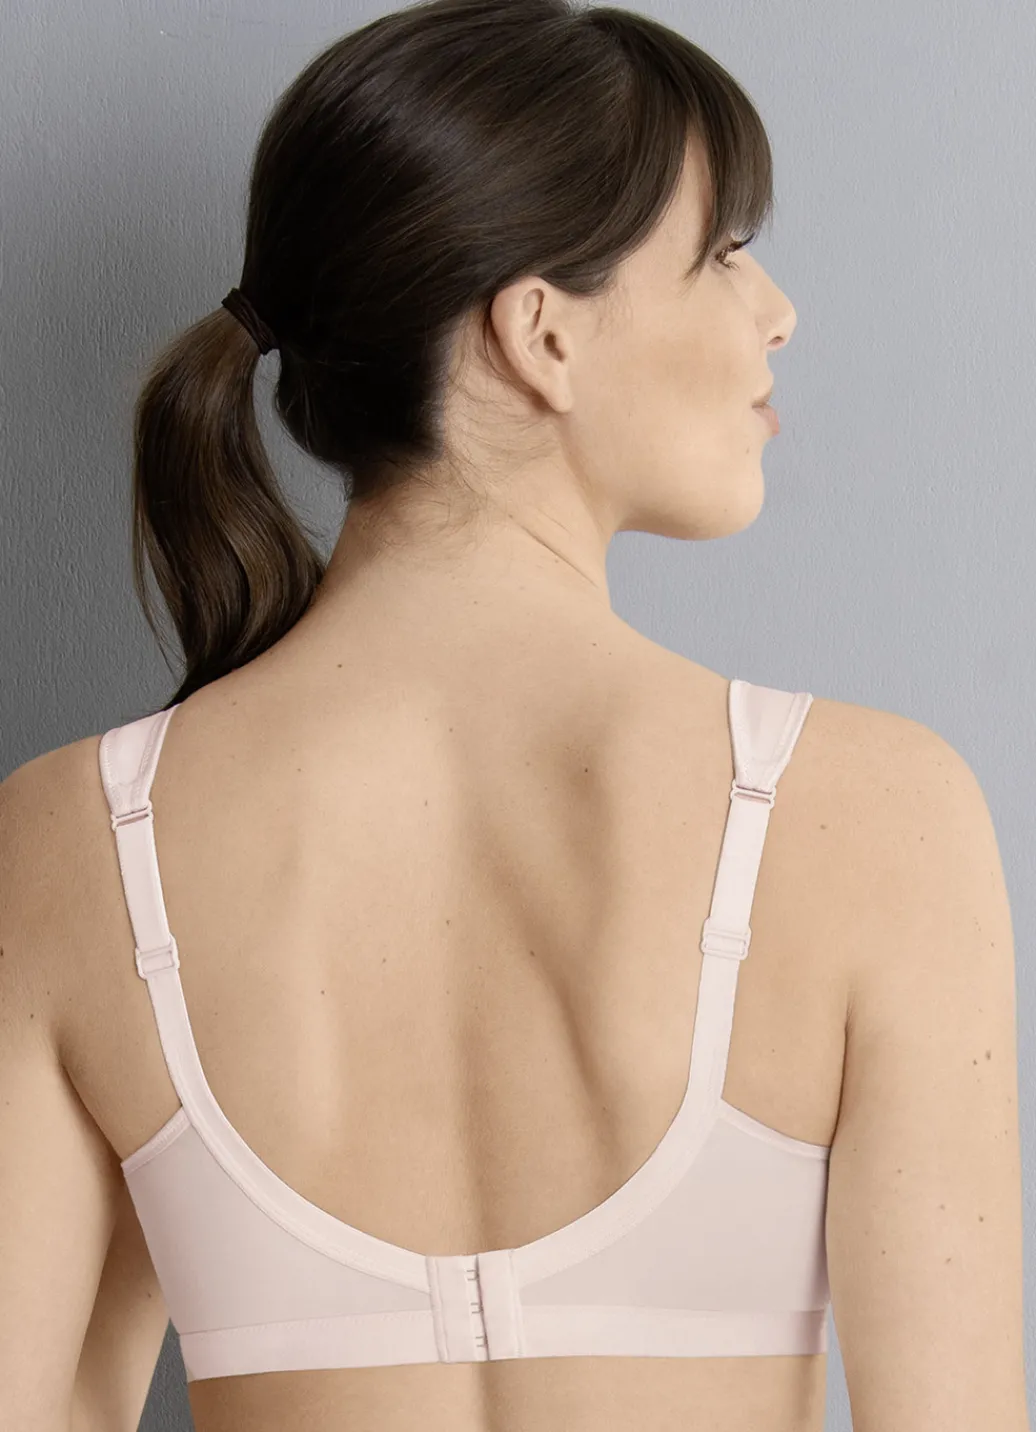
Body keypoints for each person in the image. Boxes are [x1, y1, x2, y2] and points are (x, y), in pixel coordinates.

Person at [0, 2, 1028, 1431]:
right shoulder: (873, 815)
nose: (777, 309)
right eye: (726, 250)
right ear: (540, 333)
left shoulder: (73, 838)